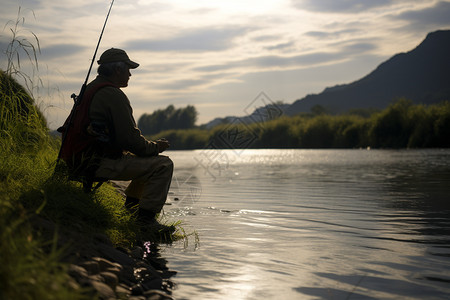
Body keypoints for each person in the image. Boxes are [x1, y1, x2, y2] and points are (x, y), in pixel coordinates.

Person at [84, 48, 173, 223]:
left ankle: (132, 211)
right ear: (118, 70)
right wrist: (156, 147)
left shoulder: (91, 89)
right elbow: (130, 140)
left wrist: (148, 149)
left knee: (146, 157)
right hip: (97, 163)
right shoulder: (113, 95)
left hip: (81, 158)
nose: (130, 75)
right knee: (163, 164)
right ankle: (145, 221)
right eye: (128, 69)